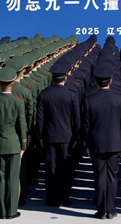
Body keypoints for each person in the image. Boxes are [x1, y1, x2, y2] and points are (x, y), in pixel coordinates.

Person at [82, 61, 121, 220]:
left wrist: (87, 143)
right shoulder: (120, 99)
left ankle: (102, 210)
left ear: (96, 82)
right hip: (115, 143)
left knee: (100, 177)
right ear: (111, 80)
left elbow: (86, 125)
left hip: (97, 144)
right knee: (112, 177)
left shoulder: (89, 100)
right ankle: (112, 209)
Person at [36, 61, 80, 208]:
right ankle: (64, 198)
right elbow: (76, 118)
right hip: (67, 137)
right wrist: (76, 137)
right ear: (65, 78)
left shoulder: (44, 94)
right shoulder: (72, 95)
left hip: (49, 136)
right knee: (65, 169)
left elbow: (40, 118)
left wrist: (40, 136)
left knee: (51, 168)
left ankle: (51, 198)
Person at [0, 66, 27, 220]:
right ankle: (11, 211)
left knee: (0, 178)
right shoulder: (18, 102)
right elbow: (22, 126)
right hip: (14, 144)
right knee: (12, 178)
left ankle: (1, 211)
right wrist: (24, 145)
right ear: (12, 83)